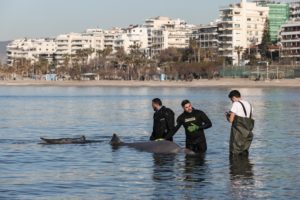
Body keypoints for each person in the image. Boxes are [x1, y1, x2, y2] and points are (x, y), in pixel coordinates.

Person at [226, 90, 255, 156]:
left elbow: (231, 120)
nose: (232, 102)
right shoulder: (249, 104)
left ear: (233, 97)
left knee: (234, 154)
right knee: (244, 153)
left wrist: (227, 116)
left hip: (238, 133)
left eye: (231, 100)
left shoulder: (235, 104)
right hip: (248, 133)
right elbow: (248, 117)